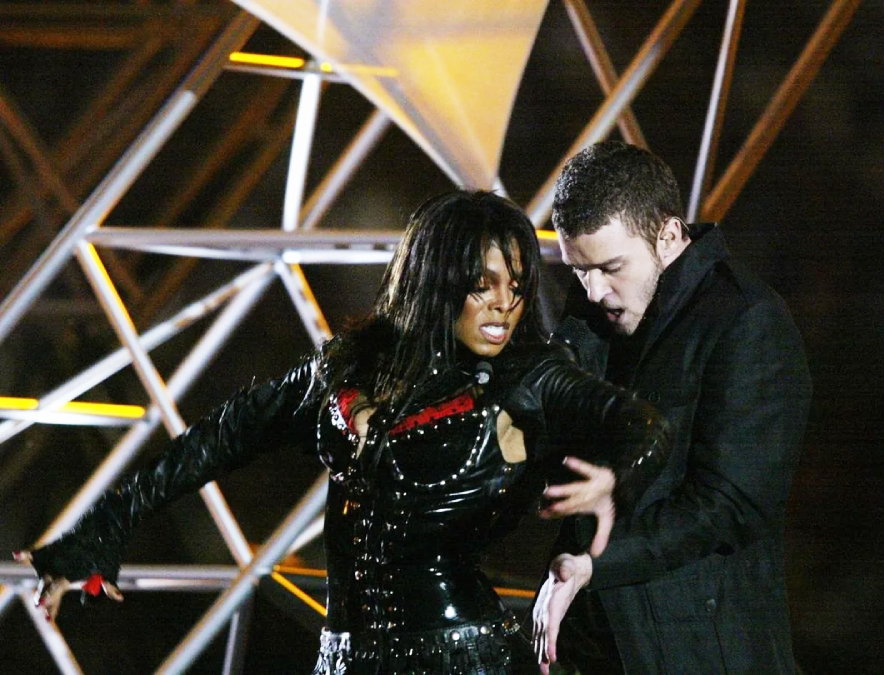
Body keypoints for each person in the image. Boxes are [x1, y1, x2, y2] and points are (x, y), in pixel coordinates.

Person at [16, 190, 669, 675]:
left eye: (517, 286)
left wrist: (612, 476)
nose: (504, 302)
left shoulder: (532, 376)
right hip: (343, 660)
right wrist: (103, 528)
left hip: (463, 658)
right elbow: (216, 438)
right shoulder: (347, 367)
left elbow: (641, 424)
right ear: (437, 283)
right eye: (481, 284)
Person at [531, 140, 813, 674]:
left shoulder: (747, 321)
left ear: (669, 235)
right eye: (579, 271)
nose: (593, 291)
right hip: (598, 644)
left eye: (611, 267)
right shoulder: (595, 312)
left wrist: (595, 565)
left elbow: (728, 505)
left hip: (701, 650)